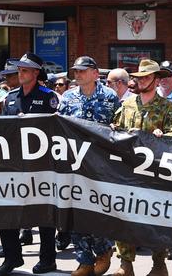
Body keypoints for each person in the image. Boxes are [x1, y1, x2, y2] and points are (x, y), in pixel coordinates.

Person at [111, 59, 172, 276]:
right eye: (139, 78)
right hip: (129, 172)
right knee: (123, 214)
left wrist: (163, 137)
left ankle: (159, 263)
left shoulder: (166, 107)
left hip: (155, 174)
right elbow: (115, 131)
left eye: (147, 77)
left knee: (156, 218)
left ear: (157, 80)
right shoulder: (127, 105)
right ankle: (125, 263)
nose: (141, 81)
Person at [0, 52, 60, 276]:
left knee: (43, 214)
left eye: (25, 69)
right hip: (14, 164)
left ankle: (47, 260)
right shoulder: (10, 97)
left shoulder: (48, 97)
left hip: (40, 165)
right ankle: (12, 257)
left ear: (36, 73)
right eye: (19, 69)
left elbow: (57, 128)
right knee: (6, 210)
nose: (20, 73)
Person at [58, 56, 120, 276]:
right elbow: (59, 128)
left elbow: (119, 130)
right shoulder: (67, 98)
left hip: (100, 165)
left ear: (95, 73)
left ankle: (103, 251)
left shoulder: (110, 97)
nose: (78, 74)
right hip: (74, 163)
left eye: (83, 71)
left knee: (99, 209)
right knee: (75, 212)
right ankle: (84, 260)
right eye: (76, 71)